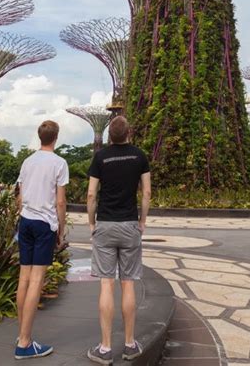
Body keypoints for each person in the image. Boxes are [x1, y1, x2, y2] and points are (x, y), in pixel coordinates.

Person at [86, 115, 151, 364]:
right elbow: (146, 192)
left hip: (105, 224)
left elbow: (91, 194)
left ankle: (104, 348)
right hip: (129, 224)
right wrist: (142, 220)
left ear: (109, 135)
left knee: (106, 284)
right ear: (129, 133)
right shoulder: (139, 156)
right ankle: (129, 344)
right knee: (128, 283)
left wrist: (92, 223)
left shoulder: (100, 157)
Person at [14, 120, 69, 360]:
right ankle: (25, 343)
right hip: (44, 224)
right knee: (36, 280)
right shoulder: (59, 163)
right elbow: (60, 201)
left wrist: (22, 214)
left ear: (40, 137)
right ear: (55, 137)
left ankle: (21, 334)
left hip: (25, 221)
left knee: (23, 278)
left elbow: (20, 194)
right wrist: (60, 229)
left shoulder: (28, 161)